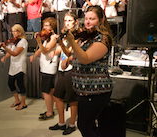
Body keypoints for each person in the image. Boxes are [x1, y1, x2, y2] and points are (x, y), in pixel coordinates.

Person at [62, 5, 113, 137]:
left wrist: (72, 42)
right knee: (88, 125)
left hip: (95, 91)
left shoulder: (102, 38)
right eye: (86, 18)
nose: (88, 22)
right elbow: (80, 56)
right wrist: (69, 59)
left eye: (92, 19)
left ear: (101, 20)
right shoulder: (87, 38)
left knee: (84, 125)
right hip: (84, 90)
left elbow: (85, 58)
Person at [48, 13, 78, 135]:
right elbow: (61, 50)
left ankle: (72, 124)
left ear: (75, 22)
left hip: (71, 69)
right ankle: (61, 123)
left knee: (72, 100)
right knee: (57, 96)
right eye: (65, 20)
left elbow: (70, 52)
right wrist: (54, 52)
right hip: (62, 70)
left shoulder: (76, 36)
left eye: (70, 20)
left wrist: (60, 43)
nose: (67, 22)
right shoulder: (64, 35)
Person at [29, 17, 58, 120]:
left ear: (52, 27)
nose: (44, 28)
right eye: (44, 25)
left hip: (49, 67)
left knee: (46, 91)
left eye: (47, 26)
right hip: (45, 67)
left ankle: (49, 113)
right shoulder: (47, 37)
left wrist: (39, 42)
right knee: (50, 90)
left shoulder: (53, 37)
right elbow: (40, 51)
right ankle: (50, 110)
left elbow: (45, 50)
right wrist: (34, 55)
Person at [0, 24, 28, 110]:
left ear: (20, 31)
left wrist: (5, 48)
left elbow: (15, 54)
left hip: (20, 65)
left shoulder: (23, 41)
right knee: (10, 83)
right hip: (13, 65)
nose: (14, 33)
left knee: (20, 84)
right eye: (13, 31)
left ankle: (23, 103)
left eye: (16, 31)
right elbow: (11, 52)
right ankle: (17, 100)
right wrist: (5, 57)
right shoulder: (15, 41)